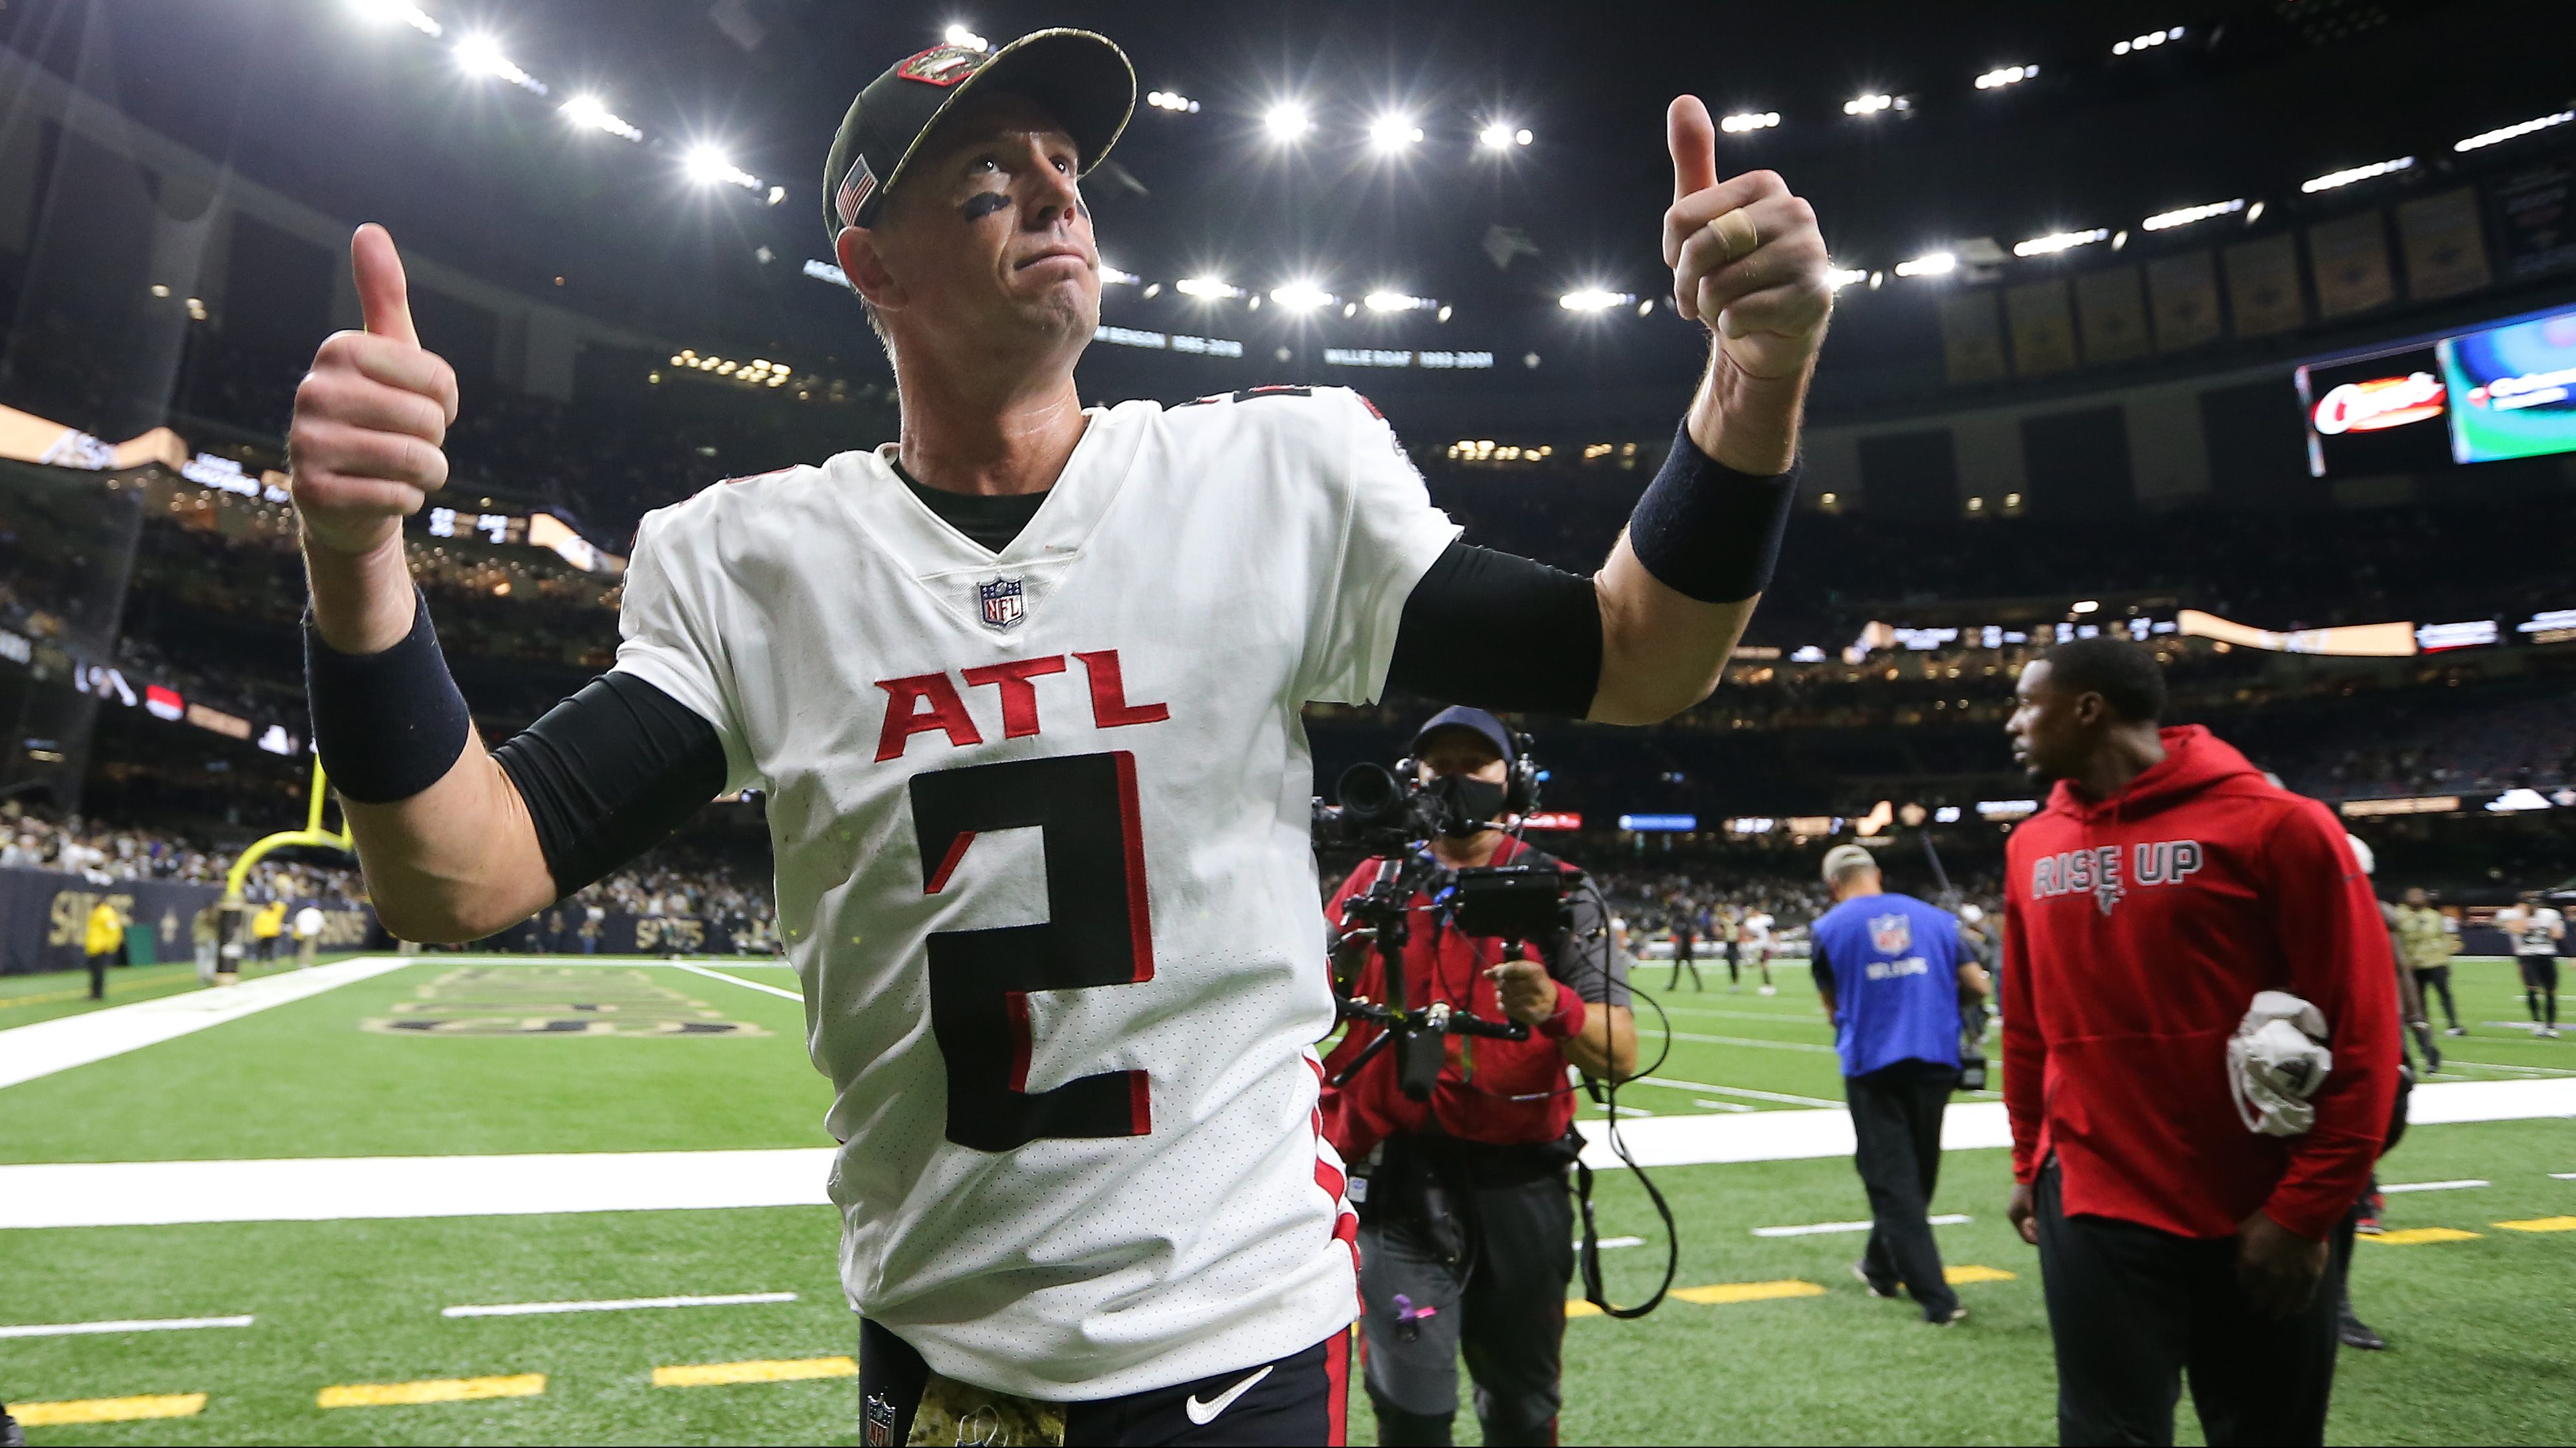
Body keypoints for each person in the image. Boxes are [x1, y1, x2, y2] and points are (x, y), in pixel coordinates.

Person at [281, 26, 1832, 1443]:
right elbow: (458, 876)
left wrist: (1755, 378)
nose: (1052, 195)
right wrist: (354, 566)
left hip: (1240, 1338)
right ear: (869, 267)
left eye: (1066, 169)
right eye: (983, 177)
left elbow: (1641, 655)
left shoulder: (1270, 480)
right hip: (940, 1357)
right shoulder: (758, 558)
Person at [1999, 636, 2399, 1447]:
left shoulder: (2279, 826)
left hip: (2257, 1206)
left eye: (2025, 704)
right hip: (2090, 1202)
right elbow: (2028, 1027)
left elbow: (2362, 1030)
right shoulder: (2030, 845)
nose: (2012, 724)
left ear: (2087, 709)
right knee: (2104, 1434)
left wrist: (2306, 1211)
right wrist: (2029, 1159)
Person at [1318, 708, 1636, 1448]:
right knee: (1411, 1410)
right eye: (1442, 765)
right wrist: (1341, 959)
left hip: (1519, 1185)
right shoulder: (1376, 881)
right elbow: (1309, 1013)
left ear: (1513, 778)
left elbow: (1621, 1055)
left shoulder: (1562, 890)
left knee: (1523, 1407)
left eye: (1477, 764)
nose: (1458, 780)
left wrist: (1552, 1006)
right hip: (1399, 1189)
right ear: (1414, 779)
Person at [1808, 843, 1987, 1325]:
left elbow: (1831, 1006)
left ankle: (1937, 1298)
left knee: (1892, 1182)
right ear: (1876, 874)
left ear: (1832, 886)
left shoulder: (1827, 929)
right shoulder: (1932, 918)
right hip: (1934, 1056)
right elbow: (1977, 984)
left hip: (1873, 1063)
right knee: (1918, 1172)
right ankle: (1880, 1265)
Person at [2388, 888, 2460, 1036]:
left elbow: (2442, 937)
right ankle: (2424, 1024)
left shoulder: (2433, 915)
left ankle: (2453, 1024)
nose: (2417, 899)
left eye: (2419, 896)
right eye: (2413, 896)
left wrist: (2446, 958)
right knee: (2419, 995)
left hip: (2436, 961)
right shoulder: (2399, 915)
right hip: (2413, 962)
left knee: (2445, 994)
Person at [2496, 893, 2566, 1038]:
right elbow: (2509, 927)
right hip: (2526, 956)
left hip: (2546, 955)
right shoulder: (2512, 915)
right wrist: (2523, 921)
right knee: (2532, 988)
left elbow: (2558, 935)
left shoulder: (2550, 914)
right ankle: (2537, 1022)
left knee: (2550, 991)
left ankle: (2551, 1025)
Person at [83, 895, 124, 1001]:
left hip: (101, 947)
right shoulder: (98, 912)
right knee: (95, 972)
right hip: (95, 946)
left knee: (98, 972)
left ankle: (98, 994)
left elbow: (114, 930)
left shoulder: (106, 914)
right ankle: (94, 993)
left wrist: (109, 945)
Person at [1668, 898, 1703, 992]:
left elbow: (1694, 929)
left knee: (1690, 966)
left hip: (1687, 944)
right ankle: (1673, 984)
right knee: (1679, 967)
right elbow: (1676, 928)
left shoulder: (1691, 917)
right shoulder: (1680, 917)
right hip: (1681, 944)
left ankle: (1698, 985)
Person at [1741, 908, 1778, 995]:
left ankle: (1768, 985)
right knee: (1760, 965)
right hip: (1756, 946)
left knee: (1764, 965)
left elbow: (1773, 932)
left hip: (1766, 945)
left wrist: (1776, 944)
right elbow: (1748, 934)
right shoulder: (1750, 922)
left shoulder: (1766, 919)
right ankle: (1767, 984)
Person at [250, 898, 286, 963]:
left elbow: (282, 907)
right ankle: (259, 960)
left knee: (271, 949)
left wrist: (274, 902)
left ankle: (270, 961)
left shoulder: (275, 913)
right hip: (263, 934)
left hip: (272, 934)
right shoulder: (262, 914)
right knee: (260, 949)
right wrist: (257, 933)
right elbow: (256, 924)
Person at [294, 902, 326, 967]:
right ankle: (307, 963)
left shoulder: (302, 912)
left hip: (302, 932)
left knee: (303, 948)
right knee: (309, 948)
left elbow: (296, 922)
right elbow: (321, 923)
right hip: (312, 932)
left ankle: (302, 962)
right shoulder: (317, 913)